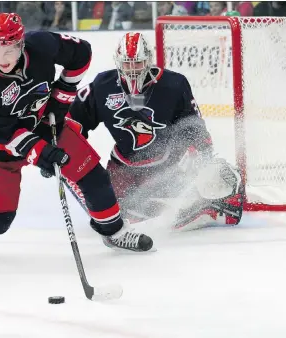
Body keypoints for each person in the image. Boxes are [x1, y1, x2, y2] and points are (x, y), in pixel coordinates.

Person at [0, 13, 154, 259]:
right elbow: (2, 133)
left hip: (44, 123)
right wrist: (41, 153)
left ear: (20, 44)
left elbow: (81, 55)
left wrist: (62, 97)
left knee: (93, 175)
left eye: (8, 51)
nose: (1, 59)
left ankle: (114, 232)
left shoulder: (41, 45)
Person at [67, 32, 244, 230]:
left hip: (167, 165)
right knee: (113, 215)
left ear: (149, 60)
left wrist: (204, 156)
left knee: (177, 210)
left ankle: (202, 206)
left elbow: (193, 125)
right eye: (127, 64)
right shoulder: (102, 86)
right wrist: (59, 148)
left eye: (139, 63)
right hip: (124, 166)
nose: (133, 70)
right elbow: (74, 122)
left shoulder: (174, 84)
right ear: (118, 62)